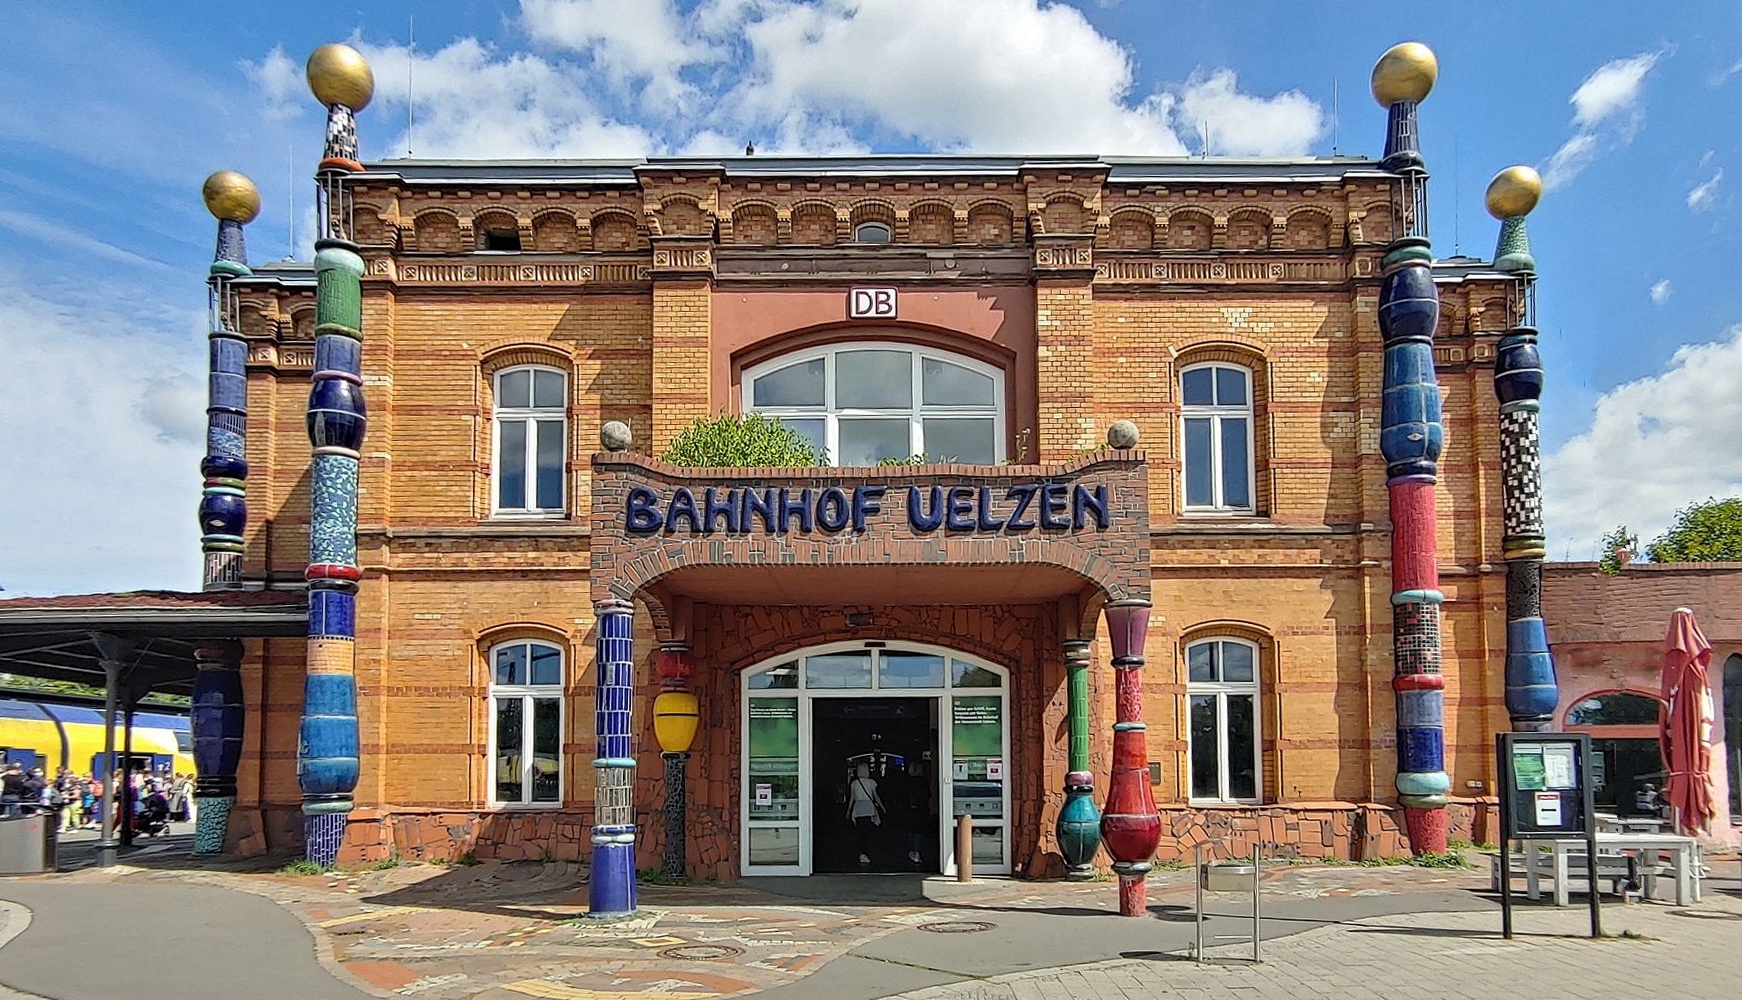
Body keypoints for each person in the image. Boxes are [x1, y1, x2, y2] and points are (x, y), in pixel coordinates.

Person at [845, 762, 884, 866]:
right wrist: (883, 807)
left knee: (860, 832)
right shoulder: (872, 782)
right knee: (868, 833)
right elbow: (876, 797)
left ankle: (862, 852)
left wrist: (848, 811)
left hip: (858, 809)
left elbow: (852, 799)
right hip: (868, 809)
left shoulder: (854, 783)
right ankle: (866, 852)